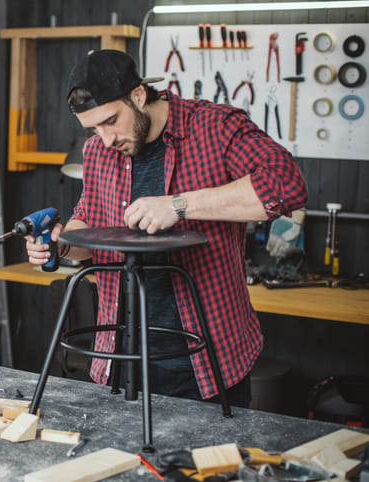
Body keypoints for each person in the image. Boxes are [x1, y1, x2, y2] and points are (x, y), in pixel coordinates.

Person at [25, 50, 307, 407]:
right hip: (120, 354)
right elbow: (91, 227)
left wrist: (178, 204)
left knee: (207, 462)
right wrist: (61, 244)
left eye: (111, 120)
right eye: (94, 128)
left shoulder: (214, 127)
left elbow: (286, 186)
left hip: (206, 357)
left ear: (139, 96)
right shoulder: (99, 151)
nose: (105, 138)